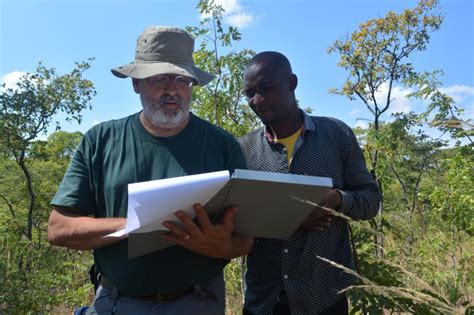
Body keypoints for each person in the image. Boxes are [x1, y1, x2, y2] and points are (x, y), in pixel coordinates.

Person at [47, 26, 251, 315]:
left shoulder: (222, 145)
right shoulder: (100, 141)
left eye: (182, 80)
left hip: (200, 302)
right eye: (159, 79)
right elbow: (59, 228)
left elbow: (244, 241)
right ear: (136, 83)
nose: (172, 89)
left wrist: (219, 246)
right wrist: (138, 224)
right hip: (117, 303)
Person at [238, 51, 381, 314]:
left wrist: (339, 200)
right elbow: (235, 219)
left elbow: (371, 200)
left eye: (266, 88)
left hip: (324, 298)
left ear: (292, 83)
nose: (257, 100)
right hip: (264, 301)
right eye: (249, 93)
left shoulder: (336, 135)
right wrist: (291, 219)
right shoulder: (243, 150)